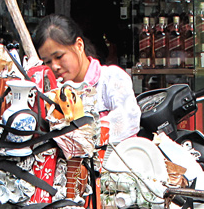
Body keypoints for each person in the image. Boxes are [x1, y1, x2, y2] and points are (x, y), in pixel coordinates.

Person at [33, 13, 140, 142]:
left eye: (59, 57)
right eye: (47, 61)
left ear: (79, 45)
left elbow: (128, 120)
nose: (54, 66)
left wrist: (80, 136)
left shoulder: (111, 79)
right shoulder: (51, 93)